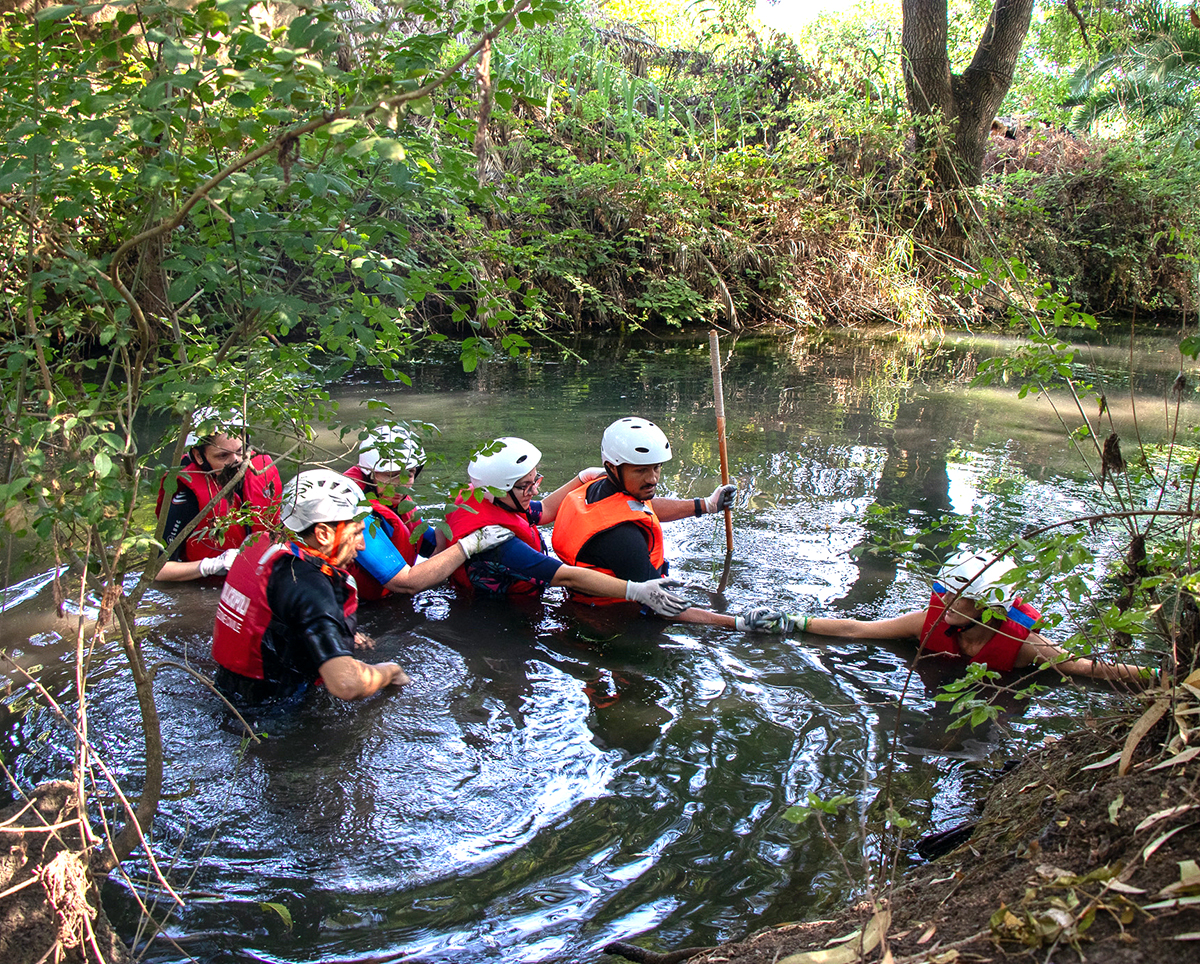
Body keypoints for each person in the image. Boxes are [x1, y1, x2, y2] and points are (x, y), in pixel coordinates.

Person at [209, 469, 505, 704]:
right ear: (323, 533)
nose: (362, 544)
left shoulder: (263, 544)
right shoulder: (310, 584)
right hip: (275, 709)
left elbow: (274, 616)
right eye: (358, 533)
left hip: (229, 689)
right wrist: (389, 673)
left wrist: (333, 629)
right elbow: (347, 685)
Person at [780, 550, 1155, 682]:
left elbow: (1091, 669)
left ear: (991, 609)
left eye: (960, 599)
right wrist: (777, 621)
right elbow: (855, 629)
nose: (945, 604)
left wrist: (1165, 679)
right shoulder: (926, 623)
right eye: (945, 594)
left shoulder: (1026, 648)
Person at [550, 416, 780, 630]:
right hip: (618, 620)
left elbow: (640, 508)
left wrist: (705, 505)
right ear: (612, 467)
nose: (652, 478)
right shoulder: (621, 538)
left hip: (589, 600)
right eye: (641, 470)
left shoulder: (598, 487)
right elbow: (664, 606)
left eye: (656, 467)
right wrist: (737, 623)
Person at [435, 437, 691, 618]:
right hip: (503, 616)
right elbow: (565, 575)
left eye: (535, 480)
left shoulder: (484, 500)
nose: (534, 489)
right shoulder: (498, 543)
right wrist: (636, 590)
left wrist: (580, 478)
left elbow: (544, 511)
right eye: (526, 486)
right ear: (498, 489)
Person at [155, 408, 282, 582]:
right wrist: (212, 565)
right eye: (223, 456)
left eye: (239, 451)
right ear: (199, 457)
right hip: (206, 586)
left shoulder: (262, 474)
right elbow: (157, 571)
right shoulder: (186, 497)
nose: (236, 461)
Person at [341, 425, 455, 601]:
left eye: (408, 474)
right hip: (361, 609)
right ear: (369, 474)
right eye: (389, 475)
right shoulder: (355, 512)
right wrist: (467, 547)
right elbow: (406, 583)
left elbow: (433, 546)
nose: (399, 485)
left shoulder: (398, 502)